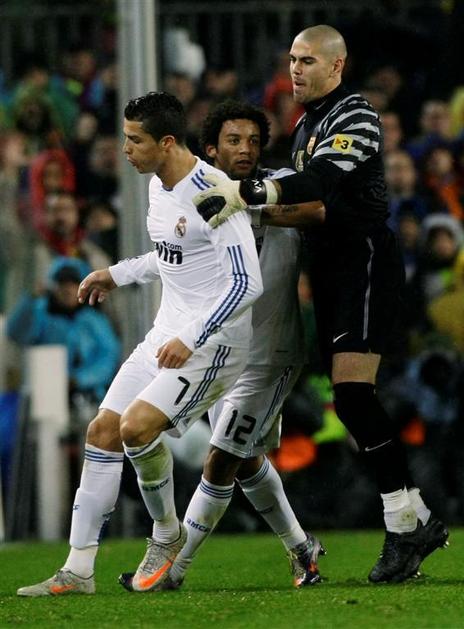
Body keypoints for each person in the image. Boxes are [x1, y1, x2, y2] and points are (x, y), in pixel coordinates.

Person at [192, 25, 449, 583]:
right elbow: (311, 208)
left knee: (354, 395)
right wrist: (256, 210)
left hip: (364, 261)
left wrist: (243, 195)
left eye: (307, 60)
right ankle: (414, 520)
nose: (295, 69)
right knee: (350, 400)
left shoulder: (355, 114)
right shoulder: (306, 124)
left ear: (337, 66)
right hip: (332, 269)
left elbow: (319, 184)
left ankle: (406, 522)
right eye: (292, 59)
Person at [16, 90, 265, 598]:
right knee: (103, 431)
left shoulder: (212, 193)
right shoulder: (158, 186)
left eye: (135, 140)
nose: (125, 149)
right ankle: (78, 570)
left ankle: (166, 534)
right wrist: (118, 272)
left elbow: (247, 283)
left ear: (167, 142)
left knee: (135, 428)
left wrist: (192, 336)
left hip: (214, 344)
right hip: (166, 333)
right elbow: (172, 256)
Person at [119, 100, 325, 591]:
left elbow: (317, 210)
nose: (245, 149)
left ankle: (173, 569)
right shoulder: (196, 192)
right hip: (222, 347)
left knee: (220, 458)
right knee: (245, 459)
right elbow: (170, 255)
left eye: (253, 141)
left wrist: (247, 203)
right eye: (233, 140)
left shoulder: (274, 185)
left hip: (270, 352)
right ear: (210, 149)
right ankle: (303, 549)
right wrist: (120, 273)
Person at [7, 256, 120, 403]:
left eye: (74, 284)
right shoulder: (41, 314)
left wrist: (78, 379)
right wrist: (29, 301)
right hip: (46, 395)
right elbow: (15, 333)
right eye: (62, 283)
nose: (67, 289)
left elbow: (108, 358)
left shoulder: (94, 320)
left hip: (88, 397)